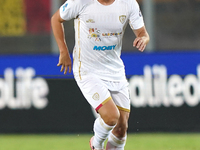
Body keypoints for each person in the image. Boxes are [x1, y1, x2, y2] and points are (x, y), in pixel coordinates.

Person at [51, 0, 149, 149]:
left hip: (114, 70)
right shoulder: (81, 2)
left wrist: (143, 38)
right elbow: (56, 19)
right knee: (111, 116)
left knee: (121, 128)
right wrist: (63, 51)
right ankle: (96, 144)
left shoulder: (128, 3)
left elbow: (143, 33)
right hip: (87, 69)